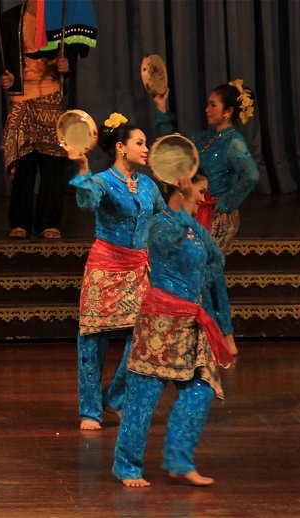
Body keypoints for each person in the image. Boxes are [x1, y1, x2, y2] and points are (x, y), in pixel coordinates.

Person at [67, 113, 190, 431]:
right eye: (140, 143)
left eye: (146, 143)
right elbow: (87, 201)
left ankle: (115, 398)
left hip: (137, 271)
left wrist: (182, 203)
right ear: (121, 147)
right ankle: (90, 410)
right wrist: (82, 169)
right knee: (94, 341)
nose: (146, 148)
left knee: (145, 335)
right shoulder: (104, 182)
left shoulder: (148, 184)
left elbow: (162, 220)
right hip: (105, 270)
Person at [112, 172, 234, 487]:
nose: (203, 199)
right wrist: (181, 208)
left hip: (191, 321)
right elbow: (169, 243)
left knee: (201, 389)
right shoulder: (158, 224)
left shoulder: (194, 227)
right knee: (143, 397)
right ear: (183, 187)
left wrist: (198, 282)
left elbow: (217, 259)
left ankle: (179, 460)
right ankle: (127, 466)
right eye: (200, 191)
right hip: (160, 321)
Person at [153, 80, 259, 356]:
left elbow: (251, 176)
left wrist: (225, 203)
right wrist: (162, 108)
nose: (207, 108)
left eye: (213, 104)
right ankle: (209, 333)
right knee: (201, 270)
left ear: (228, 112)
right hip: (197, 211)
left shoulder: (234, 143)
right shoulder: (205, 138)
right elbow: (174, 148)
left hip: (219, 217)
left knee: (210, 271)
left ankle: (225, 334)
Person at [0, 0, 75, 240]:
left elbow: (70, 56)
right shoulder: (10, 19)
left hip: (50, 95)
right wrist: (6, 76)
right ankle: (19, 221)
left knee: (52, 163)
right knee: (22, 162)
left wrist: (65, 66)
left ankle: (49, 222)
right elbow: (1, 57)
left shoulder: (59, 20)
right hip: (22, 97)